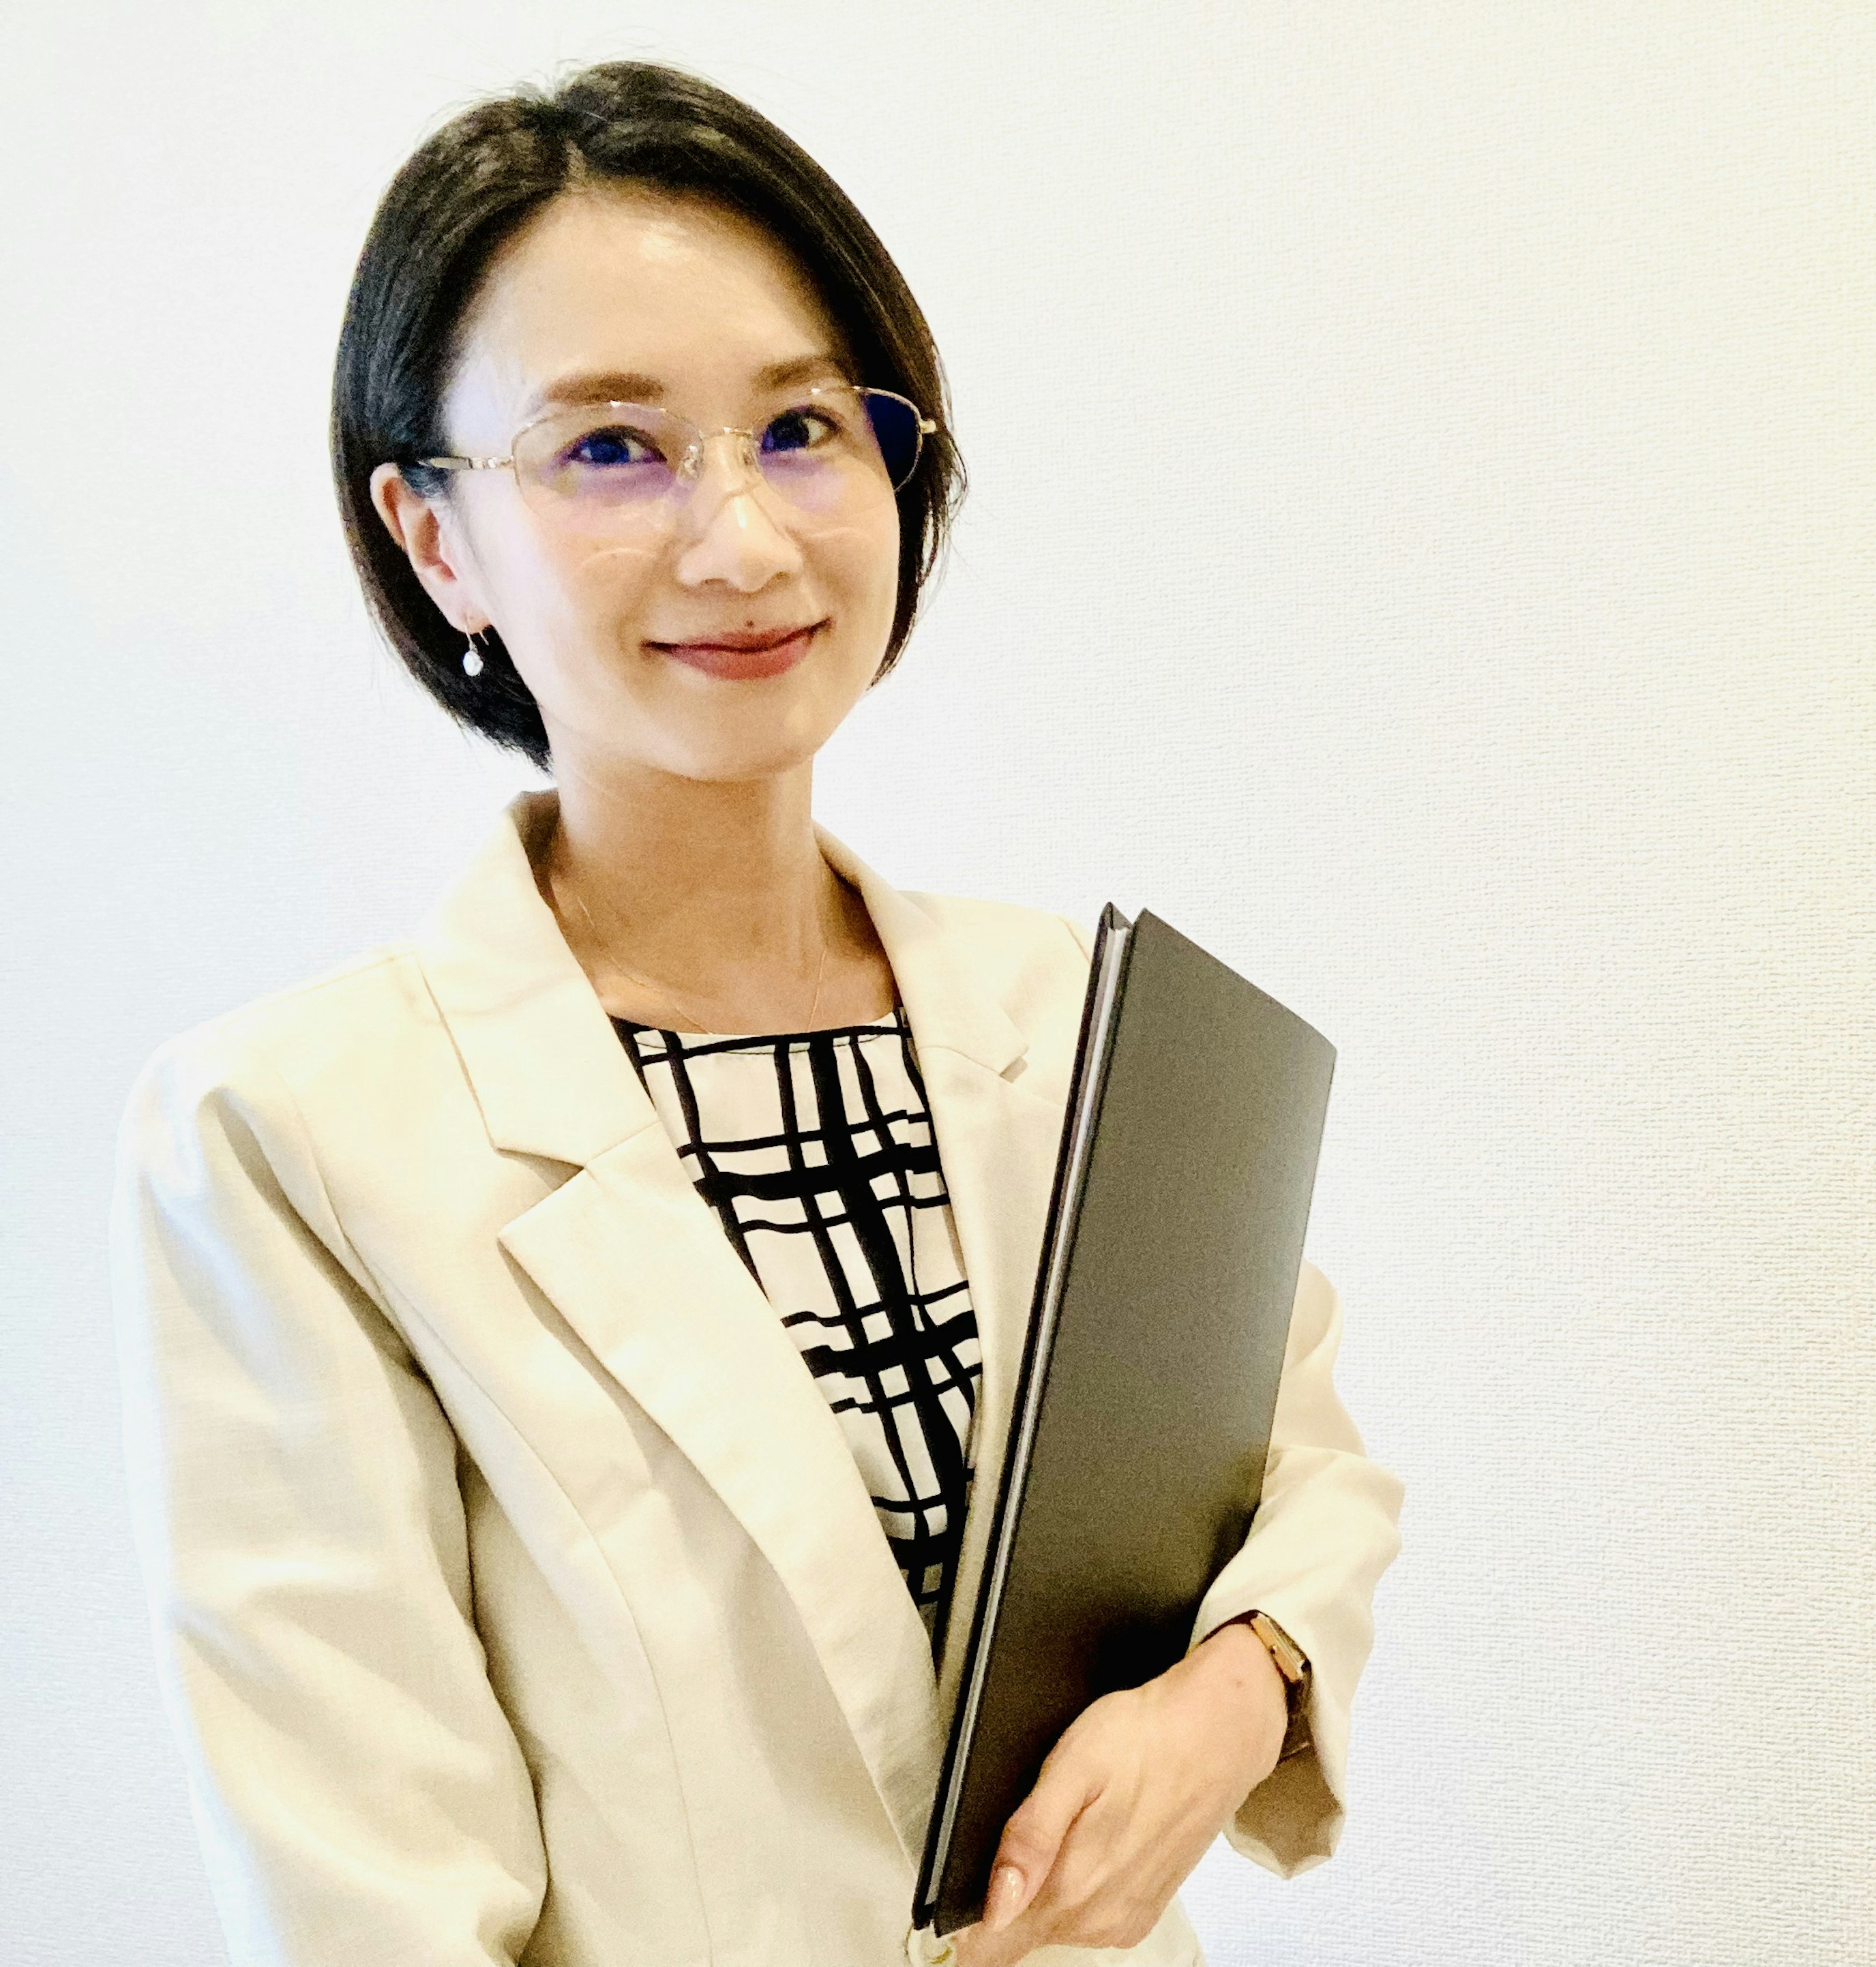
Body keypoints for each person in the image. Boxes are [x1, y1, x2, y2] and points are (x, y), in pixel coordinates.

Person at [106, 59, 1402, 1967]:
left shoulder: (1071, 1016)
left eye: (804, 425)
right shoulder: (290, 1135)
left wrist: (1235, 1689)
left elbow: (1297, 1470)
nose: (742, 542)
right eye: (611, 449)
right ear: (434, 535)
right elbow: (367, 1897)